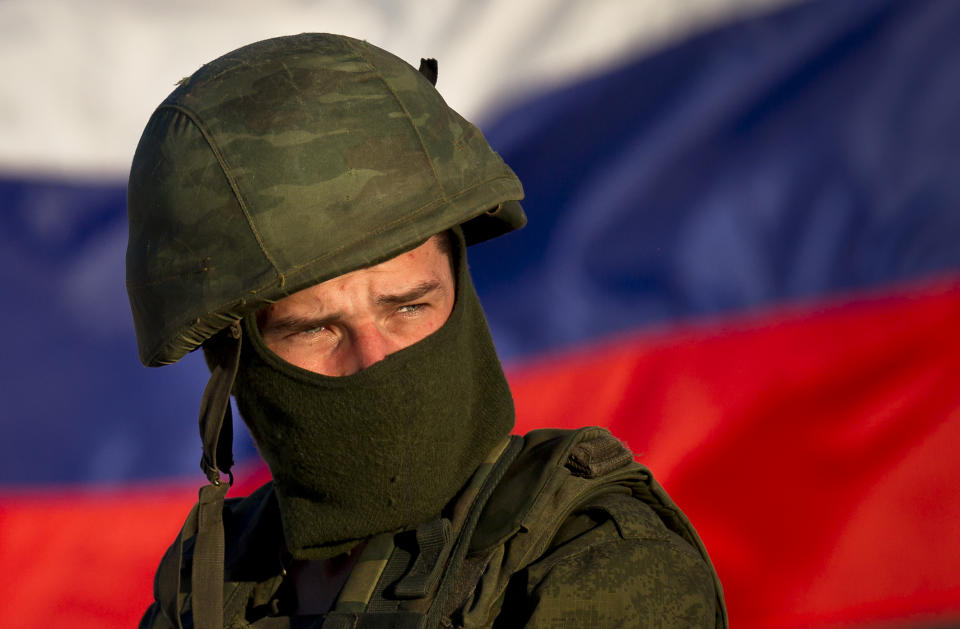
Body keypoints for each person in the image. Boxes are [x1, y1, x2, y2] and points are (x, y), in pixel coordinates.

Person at [128, 33, 727, 629]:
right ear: (233, 359)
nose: (376, 359)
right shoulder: (214, 583)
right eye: (315, 330)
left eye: (408, 307)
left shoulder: (596, 561)